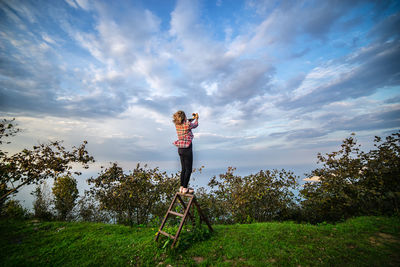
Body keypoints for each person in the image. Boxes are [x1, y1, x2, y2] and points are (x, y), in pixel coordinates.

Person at [172, 110, 199, 194]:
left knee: (183, 169)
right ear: (184, 117)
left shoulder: (177, 125)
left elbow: (188, 122)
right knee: (189, 169)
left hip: (180, 148)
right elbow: (195, 125)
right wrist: (197, 119)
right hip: (187, 148)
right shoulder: (188, 124)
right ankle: (184, 188)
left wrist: (193, 118)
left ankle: (181, 187)